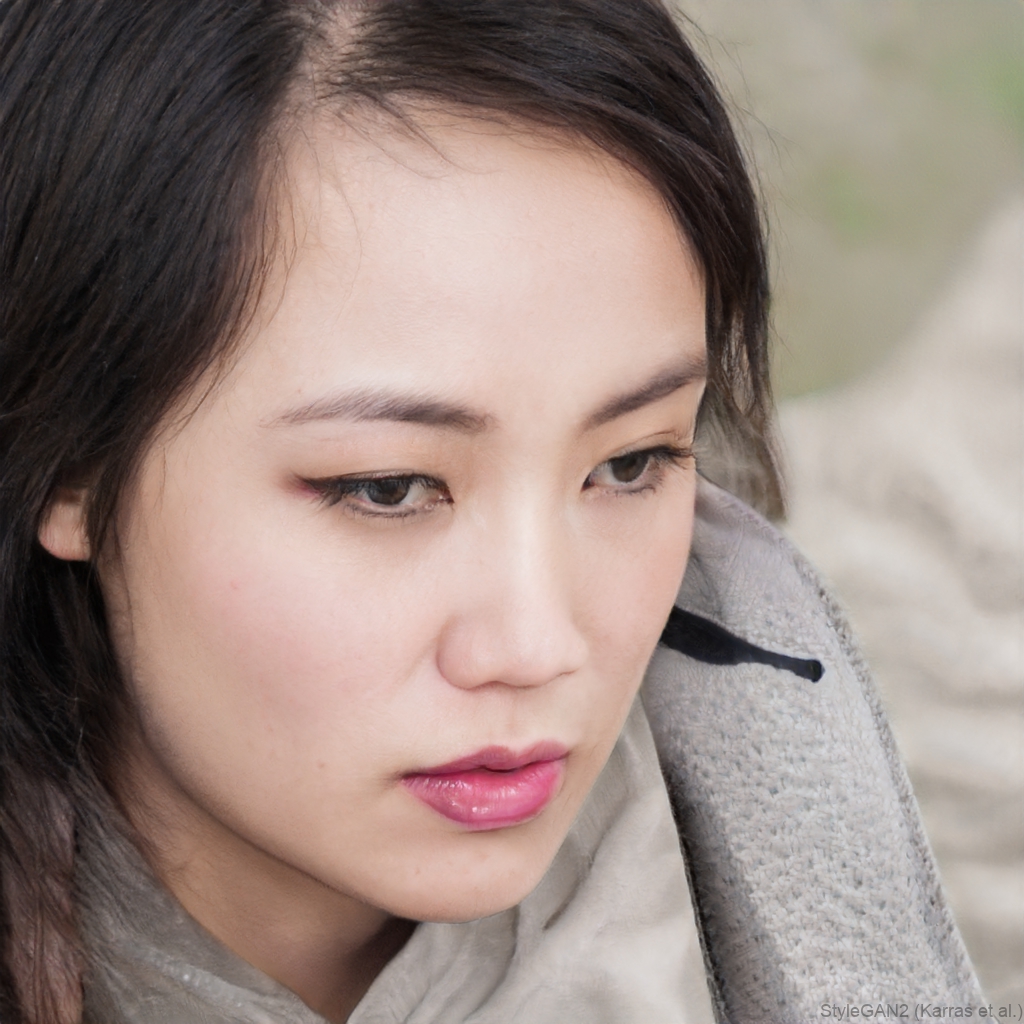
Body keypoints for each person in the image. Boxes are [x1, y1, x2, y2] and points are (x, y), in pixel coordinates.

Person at [0, 2, 983, 1022]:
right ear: (71, 463)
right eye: (387, 487)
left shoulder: (871, 854)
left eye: (631, 462)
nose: (537, 646)